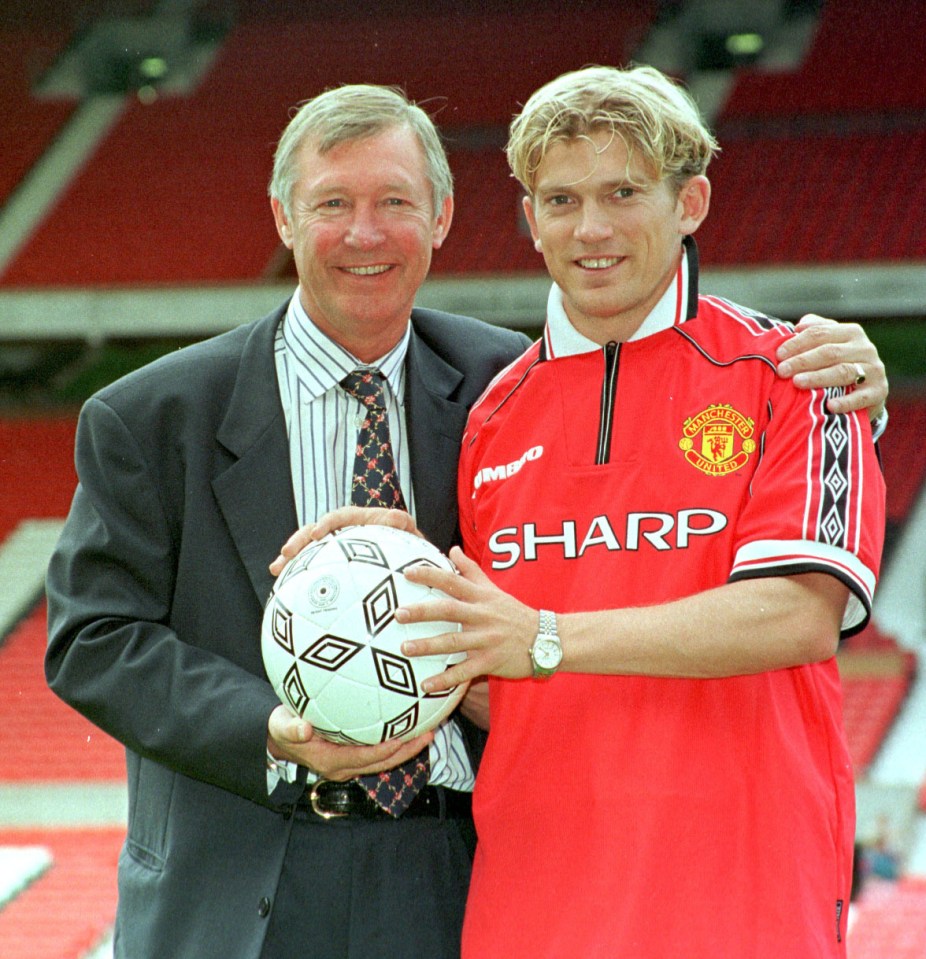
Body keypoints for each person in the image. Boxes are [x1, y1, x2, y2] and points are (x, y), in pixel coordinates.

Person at [46, 82, 884, 959]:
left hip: (451, 877)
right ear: (284, 217)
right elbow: (91, 640)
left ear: (444, 217)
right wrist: (271, 727)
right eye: (333, 203)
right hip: (243, 883)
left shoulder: (497, 385)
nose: (365, 233)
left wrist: (857, 391)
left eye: (395, 203)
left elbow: (541, 626)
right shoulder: (151, 415)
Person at [296, 67, 887, 958]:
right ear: (530, 220)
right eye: (562, 199)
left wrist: (544, 633)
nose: (593, 228)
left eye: (623, 192)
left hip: (742, 898)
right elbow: (496, 683)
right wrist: (401, 604)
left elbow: (798, 615)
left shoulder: (798, 376)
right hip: (530, 904)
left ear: (690, 200)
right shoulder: (492, 415)